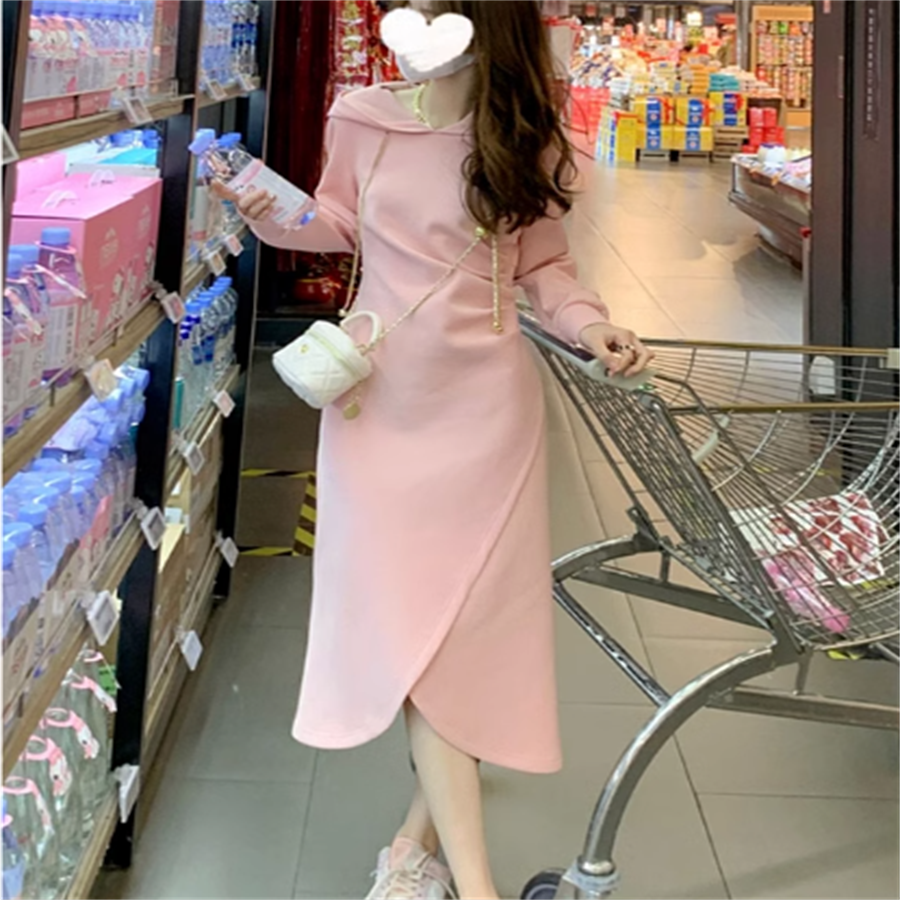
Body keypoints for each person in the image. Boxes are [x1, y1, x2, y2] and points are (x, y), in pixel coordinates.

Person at [219, 1, 652, 897]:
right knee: (414, 629)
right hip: (377, 406)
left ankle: (420, 859)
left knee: (463, 635)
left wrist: (590, 325)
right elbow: (335, 222)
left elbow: (544, 268)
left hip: (488, 416)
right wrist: (269, 215)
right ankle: (448, 872)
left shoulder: (524, 134)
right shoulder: (361, 116)